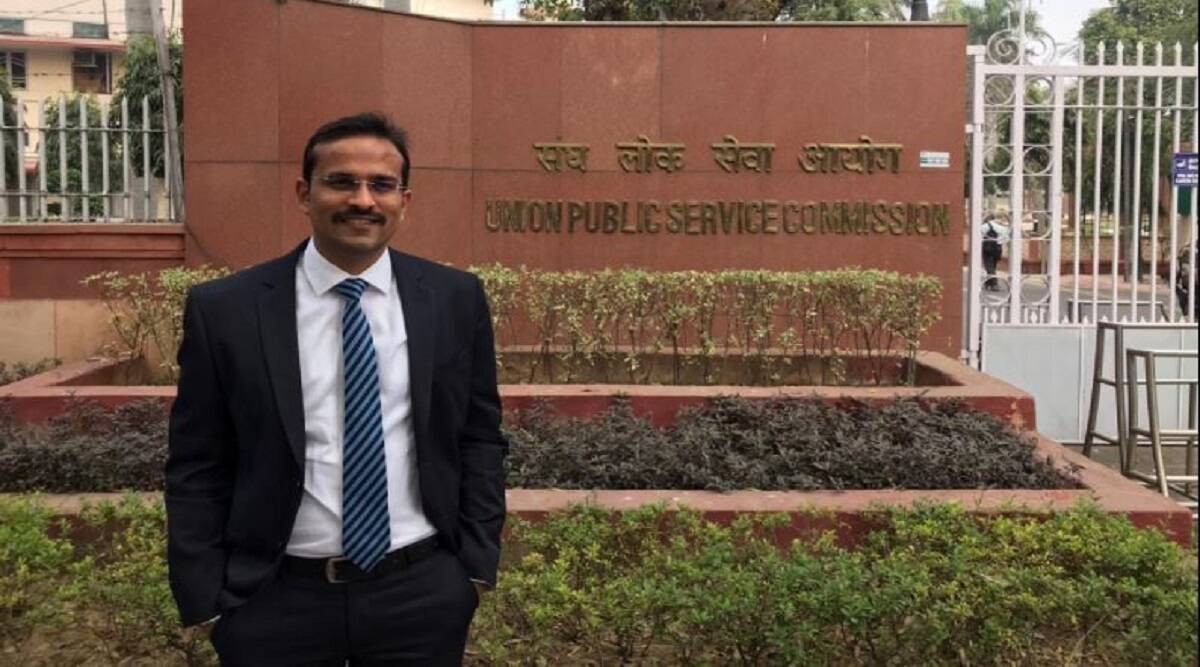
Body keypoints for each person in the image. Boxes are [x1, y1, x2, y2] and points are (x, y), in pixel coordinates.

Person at [166, 112, 508, 665]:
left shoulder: (453, 298)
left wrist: (473, 566)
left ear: (404, 200)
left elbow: (479, 436)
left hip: (421, 593)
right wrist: (206, 596)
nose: (363, 200)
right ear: (305, 193)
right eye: (342, 182)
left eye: (382, 185)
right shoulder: (226, 310)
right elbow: (196, 461)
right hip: (271, 598)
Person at [981, 218, 1007, 291]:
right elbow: (1005, 239)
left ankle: (994, 284)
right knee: (993, 266)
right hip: (997, 249)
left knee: (989, 267)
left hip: (987, 249)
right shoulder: (1002, 227)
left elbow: (979, 236)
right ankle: (988, 283)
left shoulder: (985, 226)